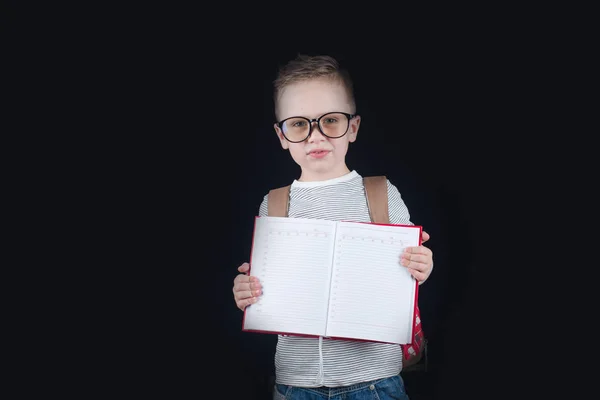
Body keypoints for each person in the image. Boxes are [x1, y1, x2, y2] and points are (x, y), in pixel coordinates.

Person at [232, 54, 434, 400]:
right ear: (281, 135)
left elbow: (409, 274)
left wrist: (422, 266)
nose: (315, 136)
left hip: (375, 381)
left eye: (330, 120)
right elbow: (269, 290)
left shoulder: (381, 193)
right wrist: (247, 293)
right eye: (298, 124)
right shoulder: (274, 204)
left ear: (352, 127)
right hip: (296, 383)